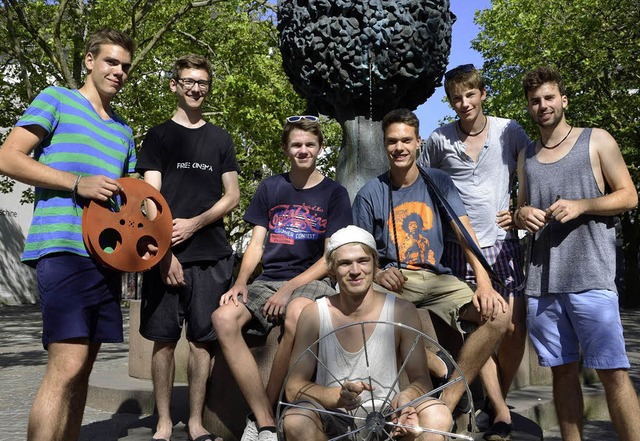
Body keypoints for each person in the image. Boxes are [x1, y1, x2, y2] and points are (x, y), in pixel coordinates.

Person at [0, 29, 136, 441]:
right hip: (63, 249)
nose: (118, 72)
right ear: (90, 60)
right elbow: (8, 157)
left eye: (126, 66)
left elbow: (129, 200)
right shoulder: (56, 99)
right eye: (111, 62)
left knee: (83, 372)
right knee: (66, 368)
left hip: (107, 260)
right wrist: (77, 182)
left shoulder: (124, 132)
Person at [352, 108, 510, 419]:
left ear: (418, 142)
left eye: (406, 140)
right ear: (384, 145)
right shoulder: (371, 193)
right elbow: (359, 251)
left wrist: (485, 283)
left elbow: (464, 234)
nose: (400, 147)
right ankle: (438, 363)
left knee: (499, 315)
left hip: (438, 279)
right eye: (392, 141)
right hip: (397, 283)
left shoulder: (437, 181)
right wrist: (381, 272)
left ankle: (450, 399)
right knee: (368, 319)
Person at [515, 66, 640, 441]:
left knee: (613, 373)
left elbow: (629, 195)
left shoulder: (597, 140)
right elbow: (520, 211)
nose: (543, 105)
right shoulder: (526, 155)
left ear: (563, 100)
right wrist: (521, 213)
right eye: (535, 101)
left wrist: (583, 204)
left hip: (591, 280)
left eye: (549, 97)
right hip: (542, 284)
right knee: (562, 372)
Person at [211, 116, 352, 441]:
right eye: (296, 145)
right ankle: (263, 419)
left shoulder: (334, 193)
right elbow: (257, 243)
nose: (303, 150)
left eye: (309, 145)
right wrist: (241, 281)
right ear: (286, 149)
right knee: (223, 318)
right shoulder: (271, 187)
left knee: (295, 315)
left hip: (312, 280)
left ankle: (271, 409)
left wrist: (289, 288)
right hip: (268, 280)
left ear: (319, 147)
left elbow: (330, 258)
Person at [419, 64, 530, 439]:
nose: (464, 103)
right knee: (483, 323)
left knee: (514, 329)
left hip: (501, 243)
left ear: (482, 94)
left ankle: (499, 398)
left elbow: (528, 169)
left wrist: (520, 209)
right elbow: (421, 182)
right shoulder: (438, 140)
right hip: (459, 248)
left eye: (470, 94)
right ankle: (499, 412)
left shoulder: (509, 131)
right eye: (456, 98)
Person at [135, 54, 240, 441]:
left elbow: (232, 196)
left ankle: (195, 421)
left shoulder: (221, 138)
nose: (196, 88)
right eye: (188, 81)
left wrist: (195, 223)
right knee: (163, 342)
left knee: (202, 343)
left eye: (203, 82)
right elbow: (149, 198)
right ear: (174, 85)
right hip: (166, 257)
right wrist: (163, 252)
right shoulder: (159, 136)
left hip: (211, 255)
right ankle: (163, 421)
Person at [282, 225, 453, 441]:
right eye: (345, 263)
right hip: (333, 420)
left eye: (363, 261)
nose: (355, 270)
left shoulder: (402, 311)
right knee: (296, 419)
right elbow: (293, 388)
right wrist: (336, 396)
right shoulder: (315, 314)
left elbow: (421, 379)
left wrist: (407, 398)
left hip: (388, 418)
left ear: (375, 264)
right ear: (332, 269)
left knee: (437, 414)